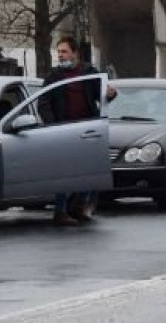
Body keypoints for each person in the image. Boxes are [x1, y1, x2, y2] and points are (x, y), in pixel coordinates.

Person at [42, 37, 113, 226]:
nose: (60, 55)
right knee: (64, 171)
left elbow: (103, 93)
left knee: (89, 169)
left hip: (87, 129)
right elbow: (44, 102)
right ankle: (60, 211)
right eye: (58, 52)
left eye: (64, 51)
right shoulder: (54, 76)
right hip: (64, 129)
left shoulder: (88, 73)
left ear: (75, 53)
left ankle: (79, 206)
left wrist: (111, 94)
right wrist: (52, 124)